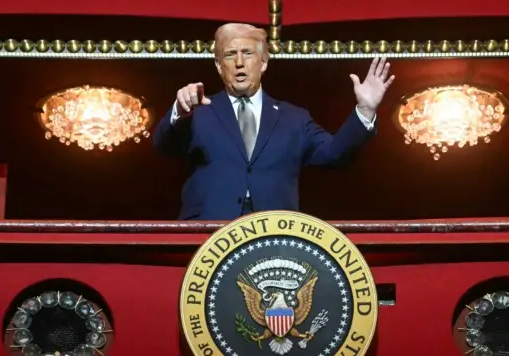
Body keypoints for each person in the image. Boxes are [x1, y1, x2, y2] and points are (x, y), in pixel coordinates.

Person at [153, 23, 395, 220]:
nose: (239, 63)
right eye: (229, 55)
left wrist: (365, 110)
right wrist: (179, 111)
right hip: (209, 235)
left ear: (264, 62)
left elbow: (335, 155)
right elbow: (163, 145)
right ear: (218, 66)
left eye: (247, 53)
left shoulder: (294, 118)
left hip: (274, 237)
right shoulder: (198, 110)